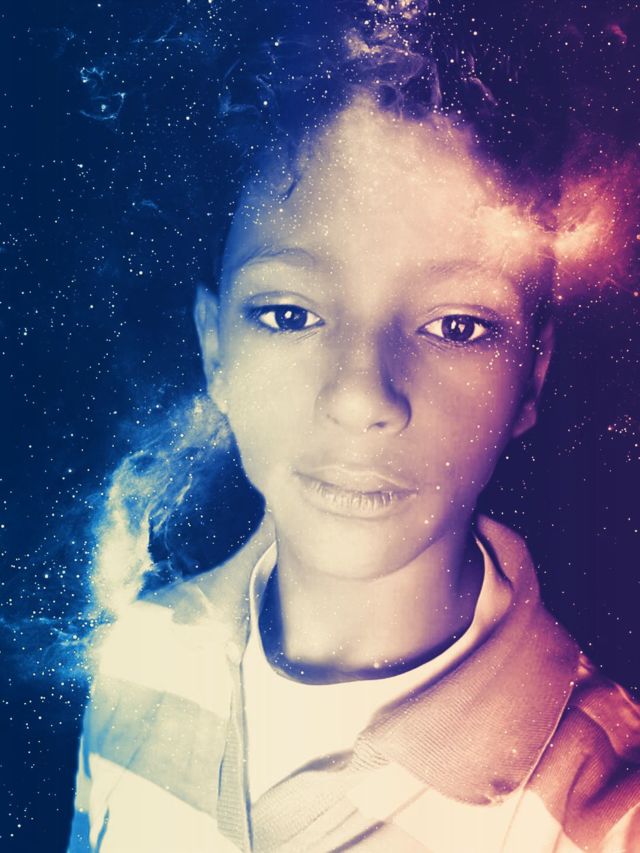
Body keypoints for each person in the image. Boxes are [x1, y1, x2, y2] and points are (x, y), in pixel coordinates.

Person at [67, 1, 640, 850]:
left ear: (532, 373)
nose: (362, 395)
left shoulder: (606, 812)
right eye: (289, 313)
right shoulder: (132, 659)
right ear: (215, 348)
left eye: (457, 324)